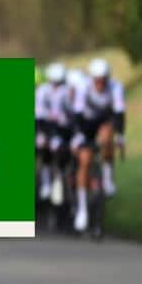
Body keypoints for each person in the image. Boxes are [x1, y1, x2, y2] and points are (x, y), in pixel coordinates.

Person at [71, 57, 126, 230]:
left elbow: (119, 114)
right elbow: (77, 115)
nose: (101, 84)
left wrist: (120, 136)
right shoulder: (83, 87)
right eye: (97, 80)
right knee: (85, 161)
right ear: (92, 79)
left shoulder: (116, 87)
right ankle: (82, 210)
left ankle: (108, 178)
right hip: (86, 125)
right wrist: (78, 136)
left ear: (108, 78)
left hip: (104, 122)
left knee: (107, 136)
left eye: (104, 80)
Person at [34, 63, 70, 203]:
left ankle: (60, 182)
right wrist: (41, 133)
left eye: (59, 82)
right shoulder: (43, 92)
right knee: (44, 149)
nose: (56, 86)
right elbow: (39, 115)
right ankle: (46, 183)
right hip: (46, 128)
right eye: (54, 82)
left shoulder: (67, 91)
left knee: (61, 153)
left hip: (64, 131)